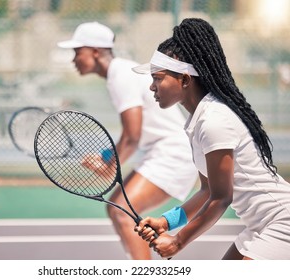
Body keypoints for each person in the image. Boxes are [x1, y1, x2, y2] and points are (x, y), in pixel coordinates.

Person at [132, 18, 290, 260]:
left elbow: (221, 198)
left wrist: (177, 242)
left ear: (185, 80)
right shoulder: (200, 119)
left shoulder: (214, 121)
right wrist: (167, 222)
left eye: (158, 78)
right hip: (261, 224)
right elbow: (207, 190)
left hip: (282, 221)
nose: (152, 87)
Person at [57, 21, 197, 260]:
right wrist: (107, 157)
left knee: (121, 212)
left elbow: (132, 136)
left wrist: (109, 167)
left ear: (94, 51)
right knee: (117, 209)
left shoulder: (120, 75)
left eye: (77, 52)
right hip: (164, 153)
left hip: (173, 156)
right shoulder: (120, 73)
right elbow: (135, 134)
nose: (73, 60)